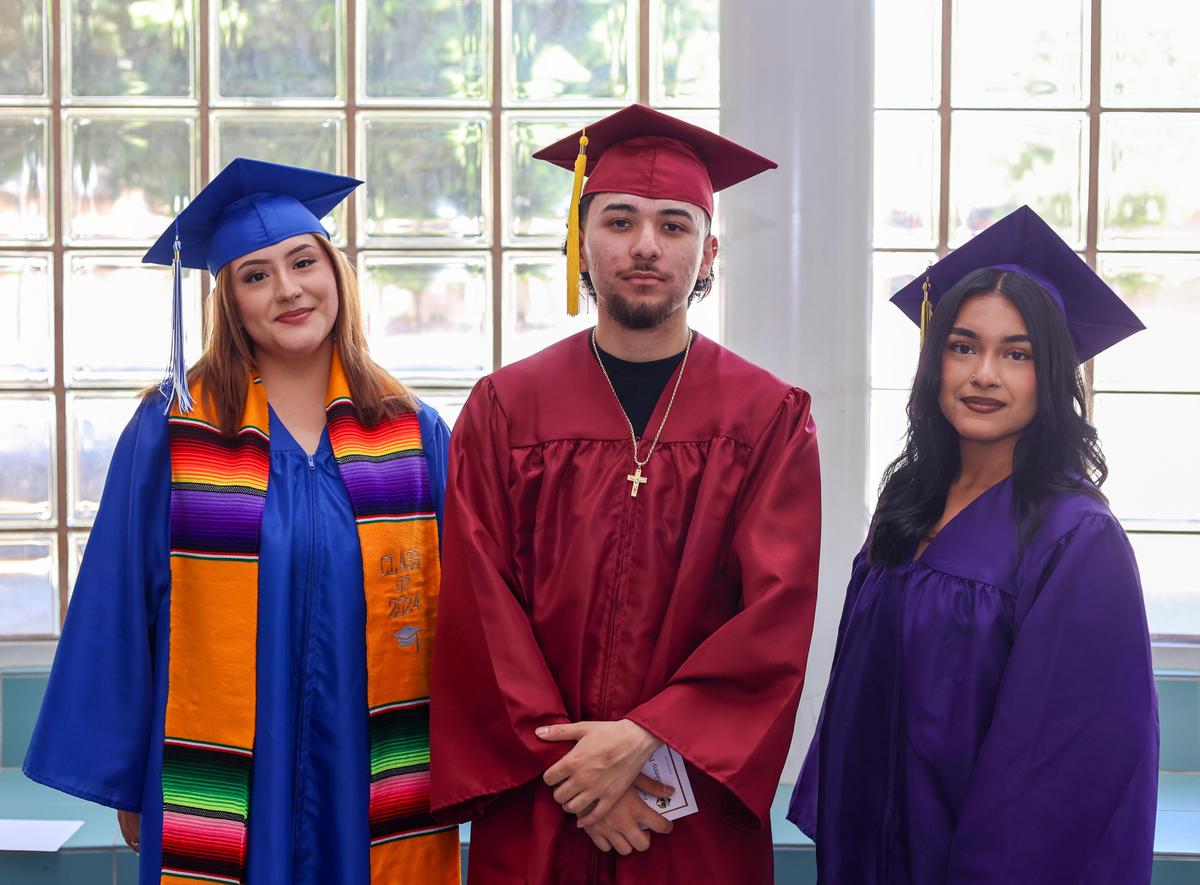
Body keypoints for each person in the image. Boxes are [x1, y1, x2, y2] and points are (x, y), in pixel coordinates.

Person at [23, 159, 460, 885]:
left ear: (336, 274)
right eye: (255, 275)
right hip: (226, 780)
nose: (288, 289)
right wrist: (130, 775)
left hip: (373, 766)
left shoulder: (411, 434)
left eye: (302, 261)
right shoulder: (176, 432)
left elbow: (469, 612)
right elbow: (119, 606)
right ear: (229, 301)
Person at [430, 104, 822, 884]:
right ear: (581, 241)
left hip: (684, 805)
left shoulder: (767, 418)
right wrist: (584, 776)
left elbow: (773, 615)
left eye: (674, 226)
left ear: (708, 254)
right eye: (619, 220)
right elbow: (480, 608)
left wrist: (646, 735)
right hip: (545, 793)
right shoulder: (506, 409)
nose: (645, 245)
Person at [789, 205, 1158, 883]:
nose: (983, 373)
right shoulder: (906, 505)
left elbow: (1063, 767)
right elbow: (855, 694)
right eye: (963, 346)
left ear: (1051, 376)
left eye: (1015, 353)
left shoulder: (1077, 537)